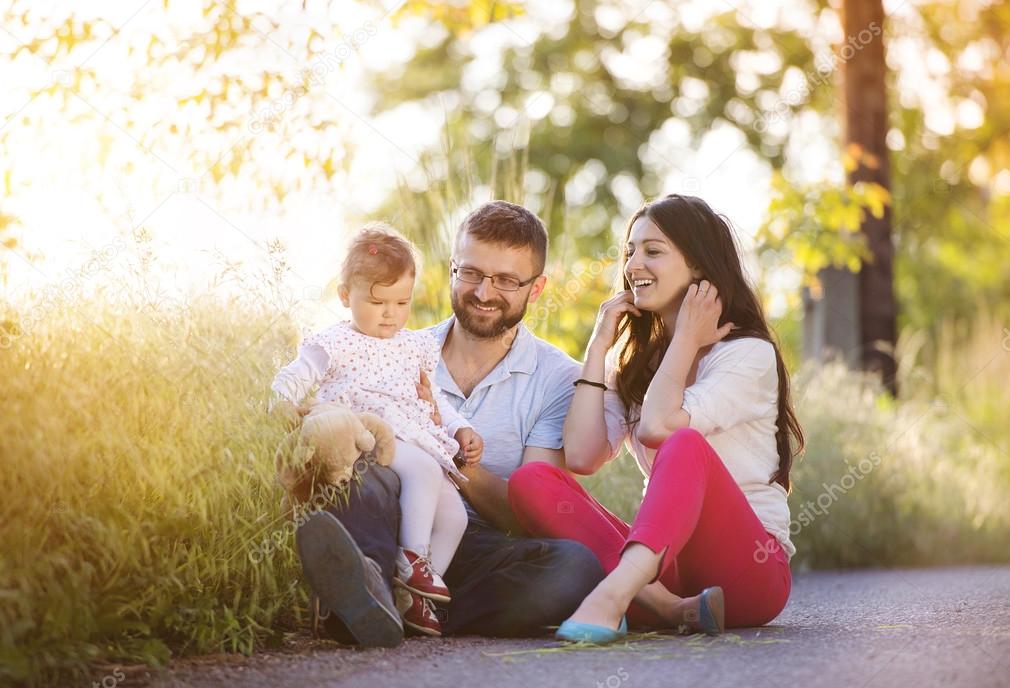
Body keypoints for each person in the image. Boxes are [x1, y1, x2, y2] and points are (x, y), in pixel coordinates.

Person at [289, 201, 606, 646]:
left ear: (536, 290)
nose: (483, 292)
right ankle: (377, 589)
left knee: (576, 566)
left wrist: (454, 455)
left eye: (507, 280)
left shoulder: (558, 379)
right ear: (453, 269)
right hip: (391, 518)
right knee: (364, 473)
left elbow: (528, 515)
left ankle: (388, 608)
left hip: (478, 545)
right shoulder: (394, 346)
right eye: (471, 273)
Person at [508, 194, 805, 644]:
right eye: (630, 251)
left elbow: (659, 428)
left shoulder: (747, 353)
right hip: (667, 568)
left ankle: (614, 597)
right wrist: (597, 350)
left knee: (684, 443)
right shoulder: (635, 366)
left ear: (699, 267)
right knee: (532, 480)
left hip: (750, 572)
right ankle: (667, 606)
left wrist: (686, 335)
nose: (633, 265)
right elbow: (583, 456)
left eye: (653, 251)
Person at [271, 223, 483, 636]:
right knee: (422, 471)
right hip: (371, 431)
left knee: (456, 516)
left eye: (401, 301)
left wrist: (460, 428)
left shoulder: (414, 345)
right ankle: (414, 559)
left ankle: (413, 599)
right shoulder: (336, 341)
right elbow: (296, 375)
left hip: (418, 434)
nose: (390, 313)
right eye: (378, 301)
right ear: (345, 295)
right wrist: (281, 402)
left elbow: (434, 399)